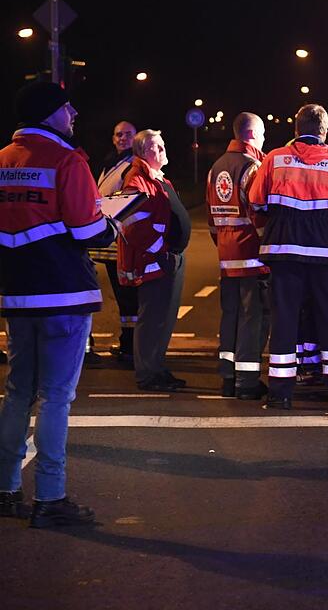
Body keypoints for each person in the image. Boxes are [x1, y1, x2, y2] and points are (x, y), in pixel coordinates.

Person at [0, 81, 118, 527]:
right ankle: (50, 497)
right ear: (50, 112)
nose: (73, 114)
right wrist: (111, 225)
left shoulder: (3, 160)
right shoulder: (67, 160)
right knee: (55, 397)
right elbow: (86, 230)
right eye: (67, 108)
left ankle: (6, 488)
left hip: (17, 294)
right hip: (64, 293)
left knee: (17, 392)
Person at [249, 104, 328, 410]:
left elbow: (256, 201)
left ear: (296, 129)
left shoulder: (274, 159)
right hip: (324, 253)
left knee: (284, 319)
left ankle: (280, 394)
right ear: (324, 131)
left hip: (283, 251)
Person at [117, 130, 190, 391]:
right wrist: (159, 249)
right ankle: (148, 374)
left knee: (164, 319)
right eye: (156, 147)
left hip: (169, 258)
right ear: (142, 152)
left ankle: (157, 368)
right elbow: (131, 223)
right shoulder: (137, 180)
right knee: (152, 319)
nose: (162, 150)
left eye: (162, 145)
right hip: (155, 261)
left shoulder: (157, 178)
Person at [207, 113, 269, 399]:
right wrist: (268, 246)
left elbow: (211, 219)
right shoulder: (252, 167)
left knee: (230, 315)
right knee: (252, 317)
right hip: (251, 256)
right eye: (263, 134)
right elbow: (258, 213)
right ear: (253, 134)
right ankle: (247, 381)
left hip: (226, 255)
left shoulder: (216, 167)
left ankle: (228, 377)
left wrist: (222, 244)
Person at [91, 121, 138, 362]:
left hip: (121, 241)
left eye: (128, 134)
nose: (123, 138)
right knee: (123, 297)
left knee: (128, 297)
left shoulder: (132, 164)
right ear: (113, 138)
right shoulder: (112, 163)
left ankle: (130, 346)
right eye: (119, 134)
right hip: (109, 242)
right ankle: (128, 344)